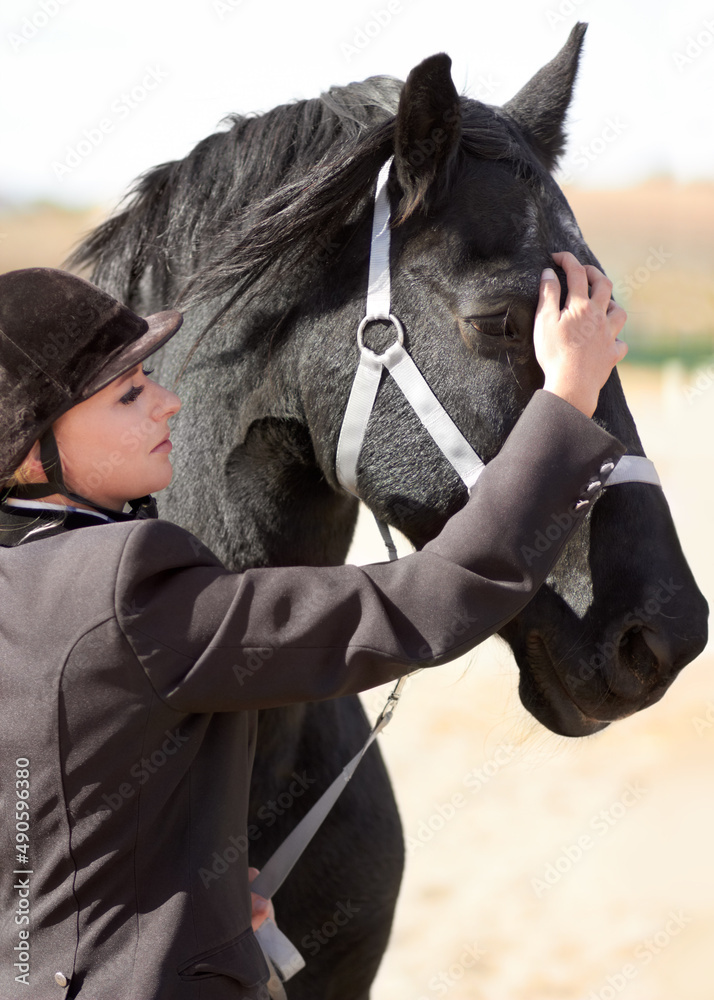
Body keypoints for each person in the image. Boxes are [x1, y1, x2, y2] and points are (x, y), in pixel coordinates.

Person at [0, 255, 627, 1000]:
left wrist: (180, 903)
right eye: (129, 393)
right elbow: (424, 602)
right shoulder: (126, 581)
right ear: (33, 459)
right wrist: (567, 401)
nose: (167, 403)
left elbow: (36, 820)